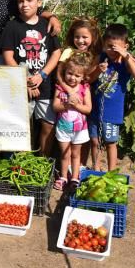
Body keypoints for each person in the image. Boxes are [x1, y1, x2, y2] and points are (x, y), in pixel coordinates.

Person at [0, 0, 61, 157]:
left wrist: (42, 75)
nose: (24, 4)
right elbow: (8, 56)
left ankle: (42, 159)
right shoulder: (13, 26)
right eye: (20, 1)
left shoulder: (46, 25)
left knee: (47, 124)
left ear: (39, 3)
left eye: (29, 0)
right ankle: (19, 161)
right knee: (20, 124)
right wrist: (24, 80)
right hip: (21, 86)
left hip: (45, 85)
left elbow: (56, 53)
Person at [88, 24, 135, 171]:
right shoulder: (101, 57)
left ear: (125, 46)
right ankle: (96, 168)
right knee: (95, 141)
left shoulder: (127, 62)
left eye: (116, 47)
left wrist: (125, 55)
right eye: (109, 46)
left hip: (113, 113)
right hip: (95, 109)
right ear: (104, 44)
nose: (112, 50)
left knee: (110, 143)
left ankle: (111, 172)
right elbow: (89, 79)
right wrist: (98, 71)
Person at [56, 16, 102, 169]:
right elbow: (58, 74)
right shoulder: (68, 51)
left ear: (93, 37)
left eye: (84, 37)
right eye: (77, 37)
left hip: (87, 93)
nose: (80, 40)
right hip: (66, 92)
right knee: (66, 127)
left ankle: (80, 163)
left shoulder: (94, 54)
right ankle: (66, 163)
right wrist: (69, 91)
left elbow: (88, 78)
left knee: (84, 129)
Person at [52, 53, 92, 191]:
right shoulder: (60, 87)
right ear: (65, 72)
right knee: (64, 154)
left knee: (76, 154)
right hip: (63, 127)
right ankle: (63, 177)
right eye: (70, 73)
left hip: (80, 129)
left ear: (83, 77)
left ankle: (75, 178)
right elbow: (55, 106)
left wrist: (76, 106)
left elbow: (88, 109)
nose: (72, 78)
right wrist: (66, 105)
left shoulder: (84, 88)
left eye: (77, 76)